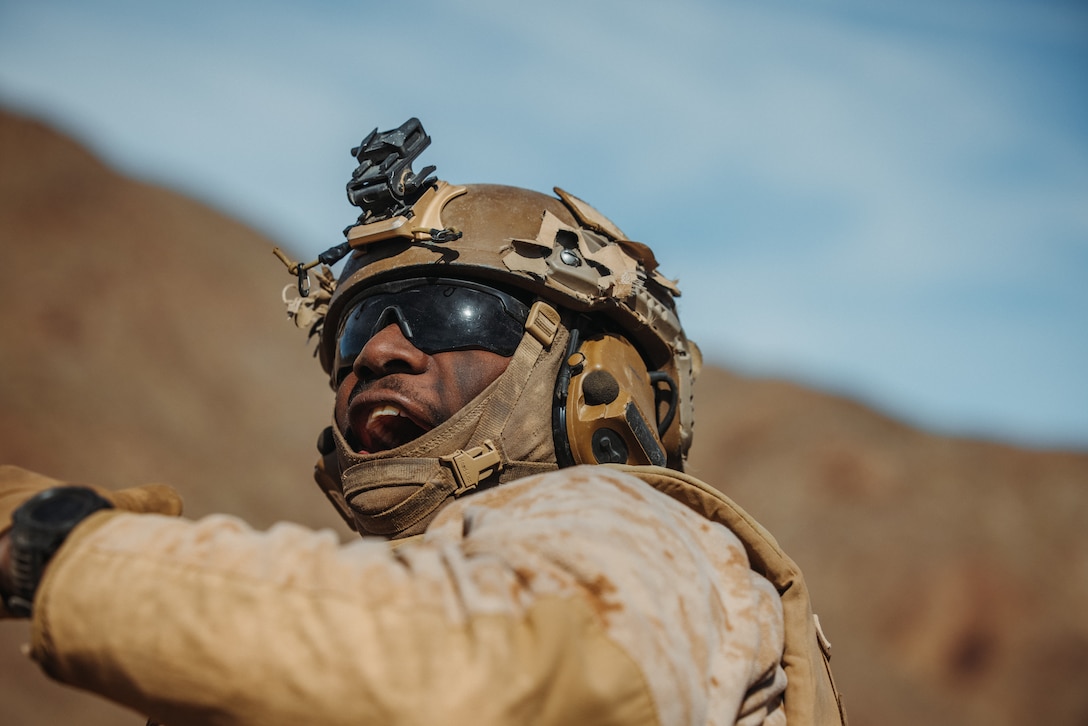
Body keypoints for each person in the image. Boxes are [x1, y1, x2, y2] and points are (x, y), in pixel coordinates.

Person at [0, 119, 846, 725]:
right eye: (358, 333)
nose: (379, 355)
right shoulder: (388, 605)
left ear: (599, 377)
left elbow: (479, 672)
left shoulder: (645, 532)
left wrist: (70, 551)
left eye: (453, 315)